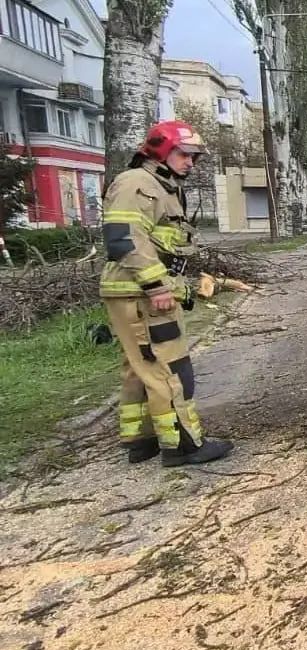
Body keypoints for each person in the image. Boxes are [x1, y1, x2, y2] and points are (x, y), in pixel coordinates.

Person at [99, 120, 234, 467]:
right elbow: (124, 239)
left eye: (194, 157)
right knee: (171, 368)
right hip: (141, 294)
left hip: (134, 293)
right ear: (161, 149)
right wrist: (157, 286)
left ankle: (141, 440)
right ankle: (184, 445)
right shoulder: (137, 184)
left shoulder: (161, 186)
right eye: (184, 154)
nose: (191, 162)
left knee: (140, 366)